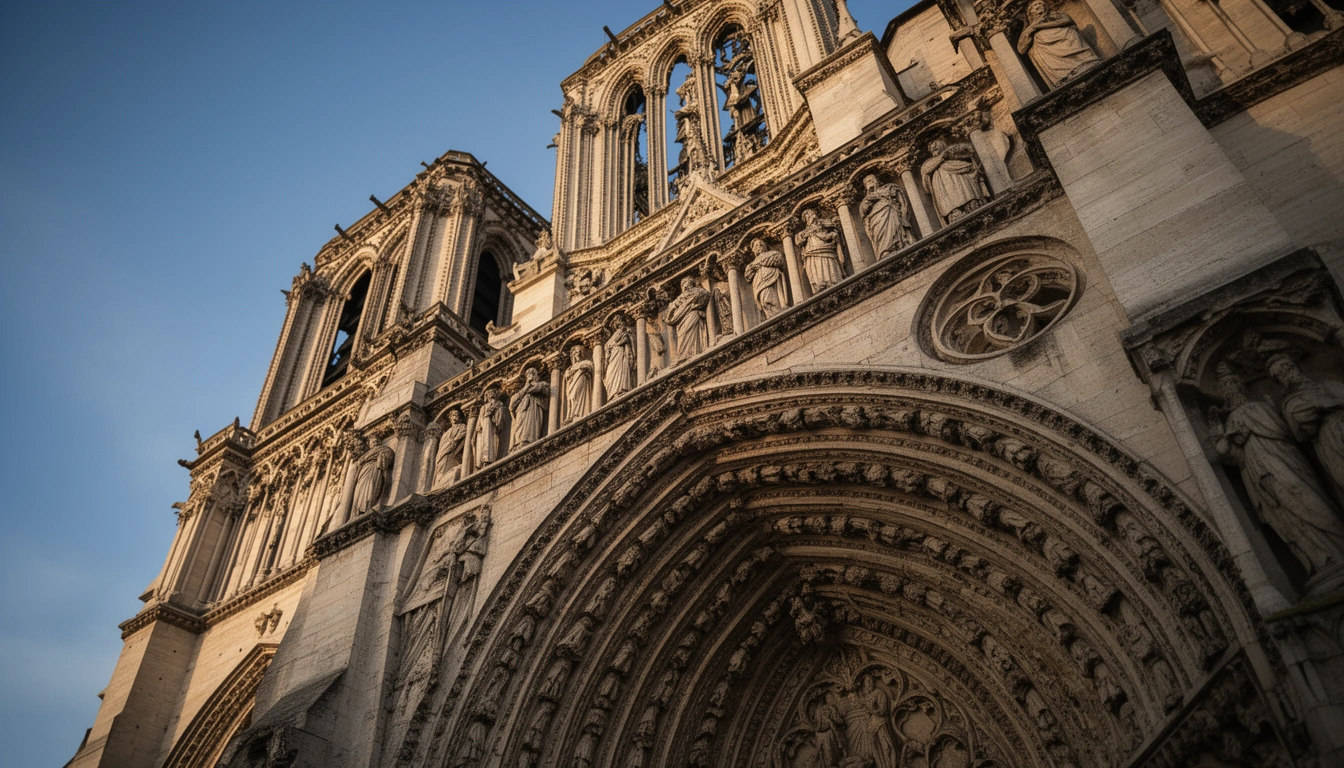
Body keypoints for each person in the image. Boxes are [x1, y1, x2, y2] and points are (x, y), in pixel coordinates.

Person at [1212, 363, 1344, 584]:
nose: (1231, 389)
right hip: (1259, 473)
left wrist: (1250, 429)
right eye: (1226, 387)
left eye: (1233, 384)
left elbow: (1287, 432)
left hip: (1285, 460)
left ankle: (1338, 549)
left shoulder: (1261, 406)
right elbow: (1234, 457)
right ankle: (1321, 562)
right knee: (1285, 517)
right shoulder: (1233, 418)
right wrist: (1222, 439)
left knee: (1310, 501)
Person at [1016, 0, 1101, 89]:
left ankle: (1084, 62)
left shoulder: (1054, 15)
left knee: (1071, 33)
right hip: (1045, 48)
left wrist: (1041, 25)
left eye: (1040, 4)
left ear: (1046, 7)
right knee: (1034, 48)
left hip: (1064, 36)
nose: (1038, 6)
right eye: (1035, 5)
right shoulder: (1030, 27)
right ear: (1030, 12)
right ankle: (1064, 75)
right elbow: (1021, 48)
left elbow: (1067, 20)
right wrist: (1032, 28)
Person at [921, 139, 989, 224]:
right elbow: (926, 171)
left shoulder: (954, 158)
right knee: (955, 213)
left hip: (964, 188)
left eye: (936, 146)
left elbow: (970, 155)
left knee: (970, 201)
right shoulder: (929, 163)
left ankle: (972, 205)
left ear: (942, 145)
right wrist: (943, 156)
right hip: (947, 198)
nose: (933, 148)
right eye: (932, 148)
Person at [859, 173, 914, 259]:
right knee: (881, 234)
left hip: (890, 212)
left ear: (877, 181)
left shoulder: (888, 188)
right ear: (866, 186)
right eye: (868, 181)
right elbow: (864, 214)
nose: (871, 182)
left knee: (894, 228)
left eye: (872, 179)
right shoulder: (866, 200)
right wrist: (869, 201)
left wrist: (904, 218)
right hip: (875, 219)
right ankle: (885, 251)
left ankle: (899, 243)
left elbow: (902, 203)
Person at [798, 208, 845, 292]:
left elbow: (832, 226)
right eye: (808, 215)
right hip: (811, 250)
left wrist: (833, 230)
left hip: (824, 247)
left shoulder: (822, 223)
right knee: (816, 265)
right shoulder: (805, 231)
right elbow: (798, 240)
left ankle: (831, 281)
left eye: (811, 213)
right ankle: (820, 284)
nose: (810, 216)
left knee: (826, 262)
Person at [667, 276, 712, 363]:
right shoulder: (680, 298)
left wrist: (695, 306)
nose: (684, 285)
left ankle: (694, 352)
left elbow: (706, 295)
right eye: (682, 284)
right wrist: (673, 308)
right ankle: (683, 354)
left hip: (692, 315)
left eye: (685, 283)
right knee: (683, 334)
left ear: (691, 283)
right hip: (681, 321)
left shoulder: (698, 291)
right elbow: (670, 318)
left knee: (691, 331)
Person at [744, 238, 787, 317]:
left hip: (772, 278)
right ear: (753, 250)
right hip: (759, 283)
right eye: (756, 245)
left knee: (771, 298)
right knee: (764, 301)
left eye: (761, 244)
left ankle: (778, 312)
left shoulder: (773, 254)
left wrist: (759, 264)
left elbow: (779, 260)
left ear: (766, 246)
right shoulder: (752, 264)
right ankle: (771, 315)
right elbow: (748, 275)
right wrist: (755, 266)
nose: (759, 246)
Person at [510, 367, 549, 447]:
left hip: (533, 409)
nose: (530, 375)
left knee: (530, 426)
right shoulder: (522, 390)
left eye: (532, 373)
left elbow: (541, 389)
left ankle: (528, 441)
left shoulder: (541, 384)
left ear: (536, 376)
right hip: (521, 411)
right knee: (520, 427)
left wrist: (528, 388)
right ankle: (519, 442)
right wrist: (526, 388)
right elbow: (512, 405)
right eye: (528, 374)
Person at [432, 410, 468, 488]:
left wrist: (451, 443)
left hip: (453, 452)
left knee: (449, 467)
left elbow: (461, 436)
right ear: (450, 418)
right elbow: (441, 445)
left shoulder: (462, 426)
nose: (454, 418)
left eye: (456, 415)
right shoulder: (447, 432)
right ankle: (438, 485)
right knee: (440, 468)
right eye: (453, 416)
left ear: (460, 418)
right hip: (443, 453)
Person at [603, 316, 635, 397]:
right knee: (611, 373)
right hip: (613, 358)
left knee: (622, 370)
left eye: (621, 322)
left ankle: (622, 390)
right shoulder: (611, 338)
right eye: (618, 323)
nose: (621, 324)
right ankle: (613, 394)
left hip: (621, 354)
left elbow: (630, 342)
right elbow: (607, 347)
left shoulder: (627, 332)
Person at [562, 345, 594, 424]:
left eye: (579, 351)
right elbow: (566, 375)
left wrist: (578, 369)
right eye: (575, 352)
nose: (578, 353)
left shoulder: (585, 362)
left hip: (581, 379)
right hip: (571, 384)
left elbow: (589, 366)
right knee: (572, 397)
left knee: (576, 395)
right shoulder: (569, 368)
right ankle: (572, 415)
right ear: (573, 355)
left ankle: (578, 414)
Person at [474, 393, 504, 466]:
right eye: (488, 393)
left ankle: (489, 459)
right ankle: (480, 463)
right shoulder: (483, 407)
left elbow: (499, 416)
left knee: (490, 441)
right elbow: (480, 419)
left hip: (492, 427)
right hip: (483, 429)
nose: (491, 394)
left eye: (493, 392)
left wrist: (493, 419)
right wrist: (479, 427)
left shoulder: (499, 404)